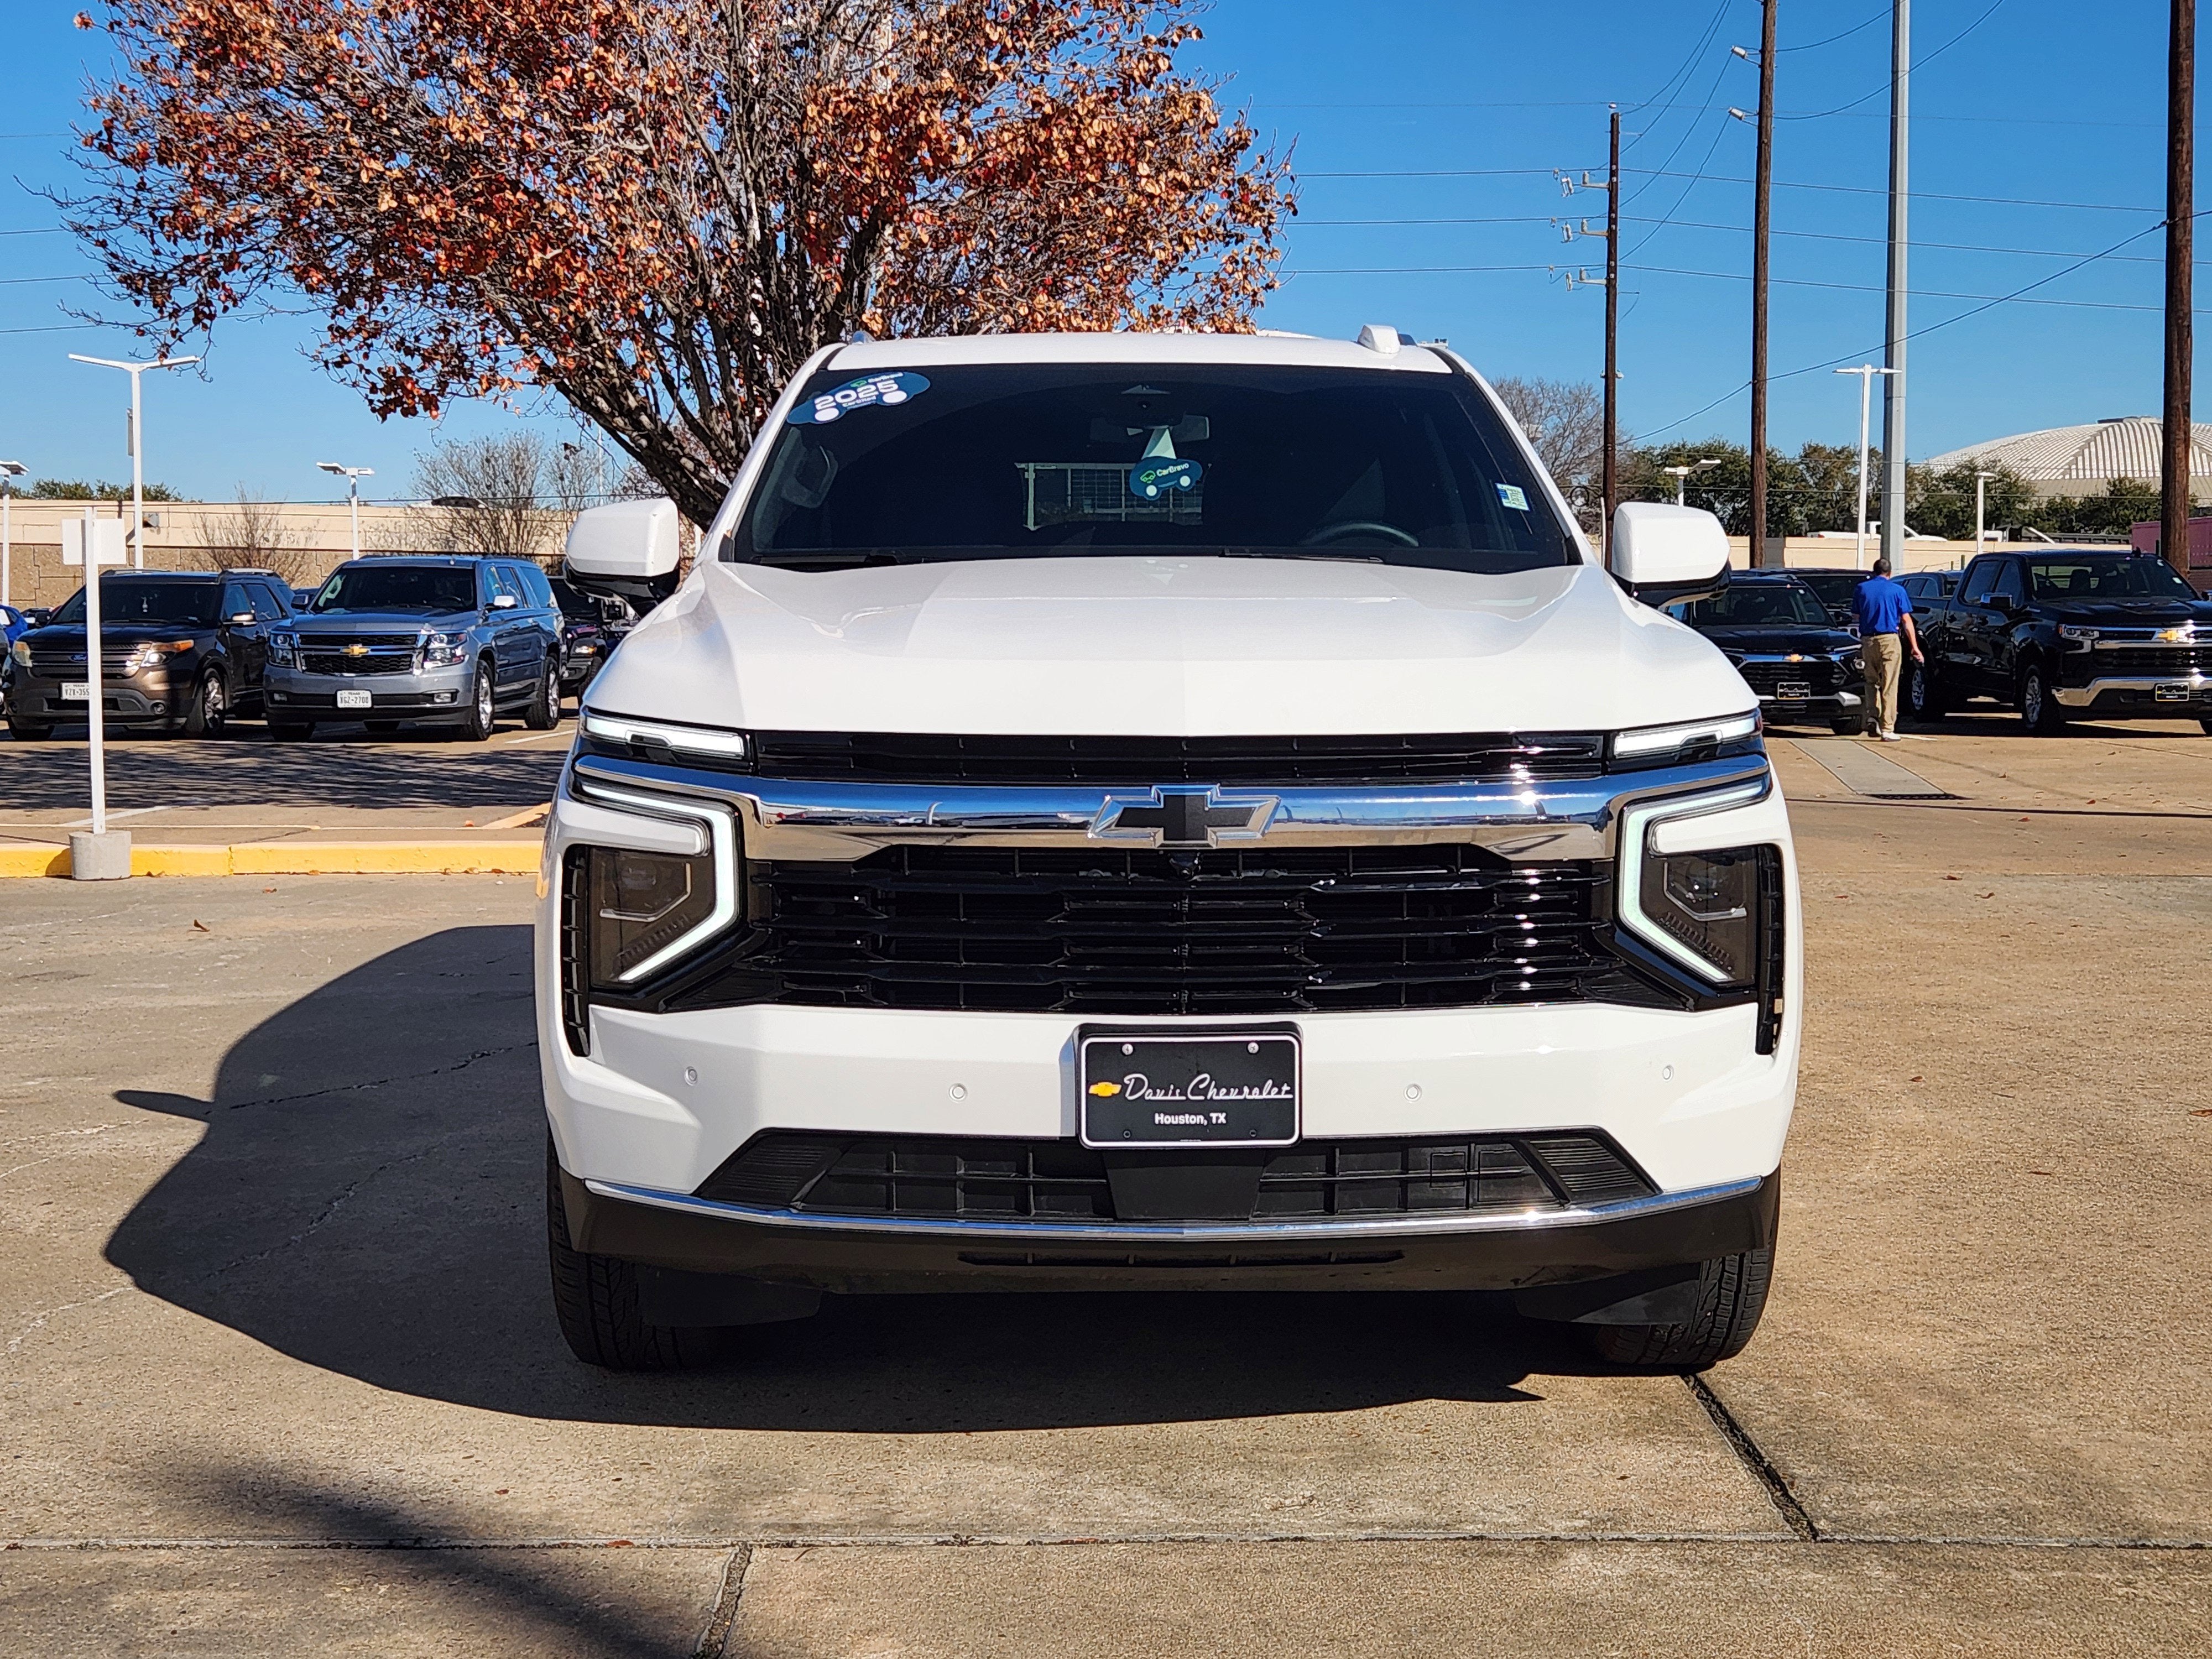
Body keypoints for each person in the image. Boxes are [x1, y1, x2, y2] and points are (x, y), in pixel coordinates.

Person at [1850, 556, 1922, 742]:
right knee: (1889, 684)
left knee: (1871, 681)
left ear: (1874, 572)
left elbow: (1856, 616)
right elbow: (1906, 620)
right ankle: (1888, 727)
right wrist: (1915, 647)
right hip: (1890, 639)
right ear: (1889, 573)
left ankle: (1872, 716)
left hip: (1868, 640)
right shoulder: (1898, 590)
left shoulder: (1861, 589)